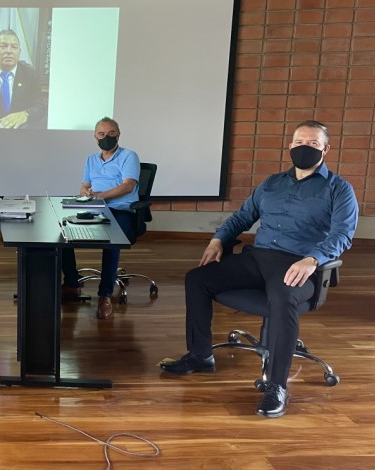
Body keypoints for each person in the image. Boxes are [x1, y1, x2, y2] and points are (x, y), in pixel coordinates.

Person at [161, 120, 358, 418]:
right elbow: (242, 218)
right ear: (290, 146)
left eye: (314, 144)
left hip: (299, 265)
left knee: (280, 297)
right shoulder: (272, 183)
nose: (305, 147)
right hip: (259, 258)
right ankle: (200, 355)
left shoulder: (339, 190)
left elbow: (342, 235)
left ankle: (277, 386)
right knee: (197, 279)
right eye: (300, 142)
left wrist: (313, 259)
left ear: (326, 149)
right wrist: (218, 239)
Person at [61, 117, 141, 319]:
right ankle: (71, 283)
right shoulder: (91, 160)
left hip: (120, 210)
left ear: (119, 135)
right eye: (102, 134)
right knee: (62, 232)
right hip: (95, 207)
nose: (107, 138)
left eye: (111, 133)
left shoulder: (129, 156)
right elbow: (84, 185)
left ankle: (105, 295)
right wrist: (86, 194)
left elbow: (128, 186)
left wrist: (100, 196)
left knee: (111, 242)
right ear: (95, 137)